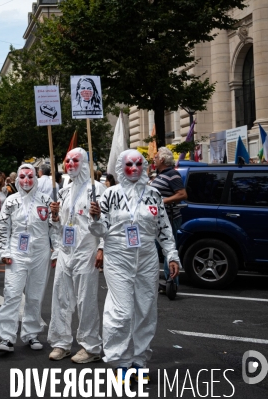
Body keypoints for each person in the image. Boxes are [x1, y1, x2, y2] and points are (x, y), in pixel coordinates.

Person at [88, 149, 180, 383]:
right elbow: (100, 231)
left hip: (147, 256)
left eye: (139, 164)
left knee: (145, 308)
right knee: (122, 310)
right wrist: (96, 218)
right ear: (121, 166)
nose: (135, 168)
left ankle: (139, 360)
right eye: (129, 164)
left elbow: (164, 228)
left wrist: (171, 255)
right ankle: (120, 361)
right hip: (118, 255)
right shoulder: (110, 195)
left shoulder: (154, 195)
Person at [48, 148, 104, 362]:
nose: (70, 164)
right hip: (65, 250)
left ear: (85, 163)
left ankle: (91, 347)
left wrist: (102, 248)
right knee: (61, 298)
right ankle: (61, 343)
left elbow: (108, 222)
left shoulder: (97, 189)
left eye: (75, 160)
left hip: (86, 250)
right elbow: (57, 224)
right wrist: (54, 216)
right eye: (67, 160)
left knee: (85, 299)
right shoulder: (63, 190)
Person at [0, 164, 59, 352]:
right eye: (22, 177)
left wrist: (55, 249)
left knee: (35, 295)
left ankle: (31, 334)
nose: (26, 180)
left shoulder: (46, 201)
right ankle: (6, 337)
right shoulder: (11, 201)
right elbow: (3, 228)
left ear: (36, 178)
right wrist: (4, 251)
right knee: (12, 294)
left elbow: (54, 229)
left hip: (40, 253)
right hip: (17, 252)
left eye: (30, 176)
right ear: (17, 179)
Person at [151, 147, 187, 295]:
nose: (154, 159)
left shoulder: (173, 174)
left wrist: (162, 201)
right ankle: (165, 281)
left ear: (163, 160)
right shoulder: (159, 175)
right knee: (157, 250)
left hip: (170, 217)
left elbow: (182, 194)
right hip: (158, 219)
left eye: (156, 157)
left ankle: (171, 283)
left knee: (168, 249)